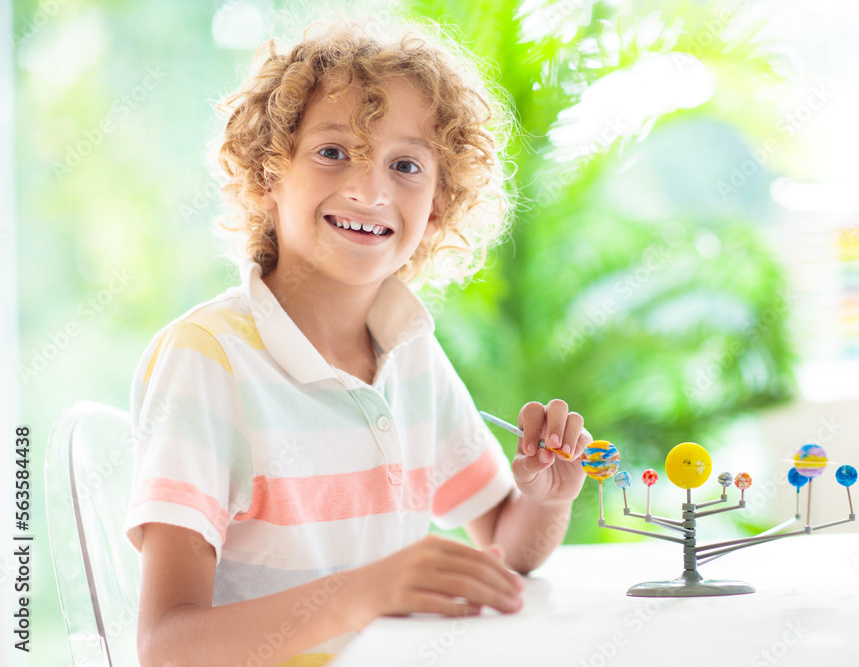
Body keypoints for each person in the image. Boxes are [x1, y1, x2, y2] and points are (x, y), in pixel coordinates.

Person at [125, 14, 591, 666]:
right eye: (333, 152)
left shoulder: (410, 354)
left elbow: (507, 543)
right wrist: (364, 592)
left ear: (437, 206)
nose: (369, 191)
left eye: (405, 165)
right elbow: (166, 646)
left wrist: (548, 497)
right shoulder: (207, 358)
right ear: (267, 175)